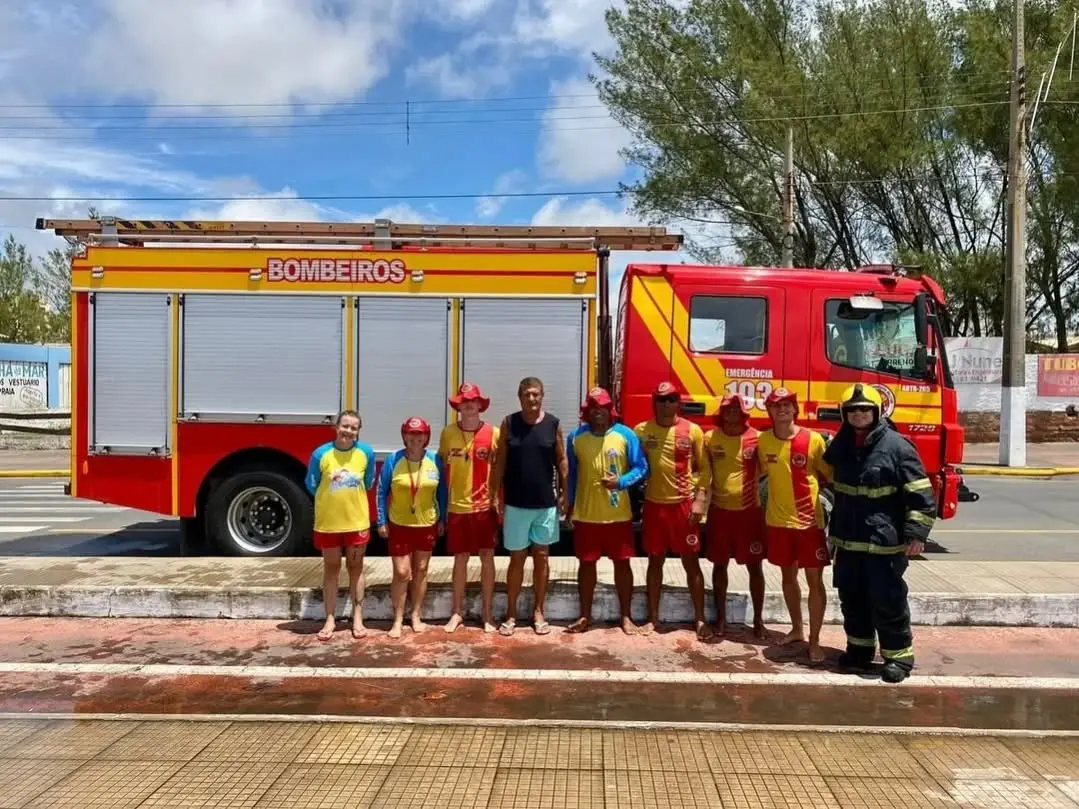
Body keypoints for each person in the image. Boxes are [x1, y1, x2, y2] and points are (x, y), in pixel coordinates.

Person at [823, 383, 937, 683]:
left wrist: (916, 534)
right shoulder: (841, 445)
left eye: (865, 409)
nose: (858, 414)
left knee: (887, 601)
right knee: (852, 600)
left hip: (884, 543)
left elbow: (921, 493)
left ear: (877, 412)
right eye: (852, 410)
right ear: (844, 414)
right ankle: (859, 651)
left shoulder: (897, 446)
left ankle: (898, 658)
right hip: (849, 541)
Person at [756, 387, 832, 664]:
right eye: (776, 405)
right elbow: (757, 473)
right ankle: (797, 629)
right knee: (788, 578)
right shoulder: (763, 441)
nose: (782, 409)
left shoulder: (813, 440)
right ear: (769, 410)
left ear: (795, 409)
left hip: (809, 524)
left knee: (815, 582)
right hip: (778, 523)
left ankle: (815, 640)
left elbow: (829, 474)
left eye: (787, 404)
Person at [566, 387, 649, 634]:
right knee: (586, 565)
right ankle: (585, 616)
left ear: (610, 409)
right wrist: (569, 505)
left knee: (622, 565)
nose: (598, 411)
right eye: (593, 407)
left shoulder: (626, 435)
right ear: (587, 411)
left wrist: (621, 482)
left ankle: (626, 616)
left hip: (618, 515)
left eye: (602, 406)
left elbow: (642, 467)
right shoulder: (575, 437)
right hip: (586, 515)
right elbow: (572, 474)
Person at [489, 376, 569, 636]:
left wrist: (565, 493)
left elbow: (562, 460)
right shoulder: (509, 423)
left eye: (536, 394)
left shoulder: (553, 424)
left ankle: (538, 612)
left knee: (542, 557)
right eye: (527, 395)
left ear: (542, 396)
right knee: (517, 559)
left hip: (545, 505)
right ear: (520, 397)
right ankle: (511, 614)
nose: (532, 399)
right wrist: (494, 495)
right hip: (516, 504)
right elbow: (500, 462)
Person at [634, 381, 711, 640]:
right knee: (655, 561)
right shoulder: (641, 431)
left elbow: (705, 469)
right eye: (661, 399)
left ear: (678, 402)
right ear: (654, 402)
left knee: (691, 562)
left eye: (671, 399)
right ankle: (653, 618)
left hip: (683, 506)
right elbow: (634, 465)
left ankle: (700, 619)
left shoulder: (693, 431)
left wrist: (700, 499)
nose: (666, 404)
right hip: (655, 506)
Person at [693, 393, 767, 638]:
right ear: (721, 412)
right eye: (727, 408)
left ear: (744, 411)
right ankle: (721, 619)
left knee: (755, 567)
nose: (732, 412)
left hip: (750, 513)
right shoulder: (710, 438)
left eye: (736, 408)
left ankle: (758, 620)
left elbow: (768, 470)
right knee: (719, 565)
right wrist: (699, 500)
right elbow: (705, 473)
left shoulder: (758, 438)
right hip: (720, 512)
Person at [304, 409, 376, 642]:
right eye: (345, 426)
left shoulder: (366, 453)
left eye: (353, 428)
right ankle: (330, 619)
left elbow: (368, 482)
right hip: (328, 524)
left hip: (357, 522)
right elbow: (312, 484)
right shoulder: (320, 454)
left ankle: (358, 617)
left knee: (356, 568)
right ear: (336, 427)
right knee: (331, 569)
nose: (348, 431)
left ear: (358, 431)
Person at [376, 417, 447, 639]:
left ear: (426, 437)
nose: (415, 438)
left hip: (427, 524)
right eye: (411, 433)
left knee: (421, 570)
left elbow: (442, 492)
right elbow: (381, 491)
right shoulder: (393, 460)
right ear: (404, 436)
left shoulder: (435, 459)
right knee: (401, 572)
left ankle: (416, 615)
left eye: (420, 434)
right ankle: (397, 619)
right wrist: (381, 521)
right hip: (399, 525)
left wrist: (443, 519)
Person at [439, 382, 500, 634]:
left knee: (487, 557)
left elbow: (500, 470)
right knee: (460, 559)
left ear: (480, 405)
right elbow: (442, 466)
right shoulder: (448, 433)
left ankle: (487, 613)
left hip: (484, 508)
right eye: (464, 402)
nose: (469, 405)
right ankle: (457, 612)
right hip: (457, 507)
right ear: (459, 406)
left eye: (473, 401)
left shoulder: (494, 433)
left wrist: (499, 501)